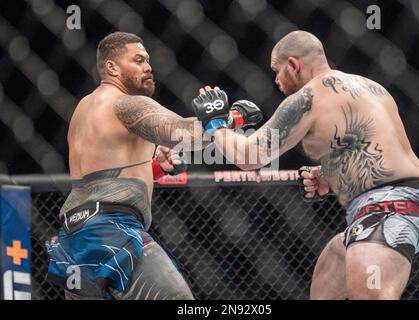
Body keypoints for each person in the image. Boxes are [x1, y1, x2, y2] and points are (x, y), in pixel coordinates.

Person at [191, 30, 419, 299]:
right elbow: (376, 148)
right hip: (408, 200)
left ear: (294, 65)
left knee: (371, 294)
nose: (276, 81)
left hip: (390, 206)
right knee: (331, 267)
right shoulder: (370, 86)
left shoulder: (308, 98)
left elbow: (251, 156)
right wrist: (331, 174)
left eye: (277, 71)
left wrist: (215, 123)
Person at [45, 31, 263, 300]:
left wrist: (155, 169)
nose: (148, 66)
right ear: (111, 67)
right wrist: (232, 118)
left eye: (148, 60)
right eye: (138, 60)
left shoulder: (84, 108)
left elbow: (102, 171)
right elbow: (184, 133)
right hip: (111, 229)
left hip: (74, 240)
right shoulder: (125, 103)